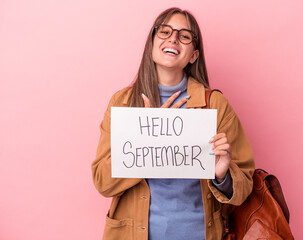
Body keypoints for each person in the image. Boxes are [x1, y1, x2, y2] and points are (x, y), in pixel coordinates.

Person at [92, 7, 255, 240]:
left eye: (184, 35)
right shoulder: (123, 102)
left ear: (194, 55)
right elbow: (102, 182)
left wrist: (222, 176)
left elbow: (244, 186)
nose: (173, 39)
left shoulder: (215, 105)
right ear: (152, 44)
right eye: (165, 31)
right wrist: (147, 142)